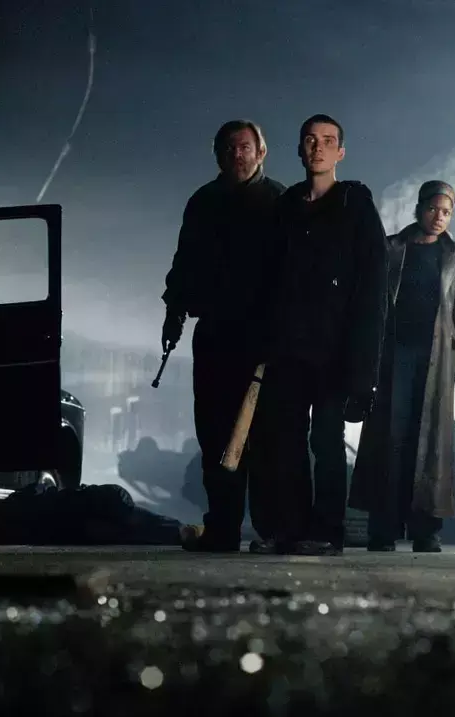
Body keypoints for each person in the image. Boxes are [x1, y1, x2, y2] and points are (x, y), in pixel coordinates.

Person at [253, 114, 389, 556]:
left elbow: (373, 287)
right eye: (310, 140)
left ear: (340, 152)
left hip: (336, 348)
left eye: (328, 141)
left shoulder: (355, 206)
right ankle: (291, 528)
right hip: (289, 346)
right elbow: (269, 279)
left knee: (327, 440)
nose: (318, 148)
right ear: (299, 149)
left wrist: (364, 367)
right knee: (287, 440)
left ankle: (328, 531)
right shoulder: (287, 207)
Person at [160, 119, 285, 553]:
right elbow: (185, 261)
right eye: (230, 148)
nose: (237, 154)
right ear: (217, 155)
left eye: (245, 147)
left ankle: (270, 530)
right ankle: (223, 528)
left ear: (261, 152)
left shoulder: (279, 201)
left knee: (264, 436)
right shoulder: (203, 202)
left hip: (263, 336)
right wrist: (174, 313)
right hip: (215, 331)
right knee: (214, 432)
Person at [348, 180, 455, 553]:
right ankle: (383, 529)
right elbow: (373, 304)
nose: (439, 217)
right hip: (393, 356)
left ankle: (425, 530)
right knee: (390, 438)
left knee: (431, 440)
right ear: (419, 208)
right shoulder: (391, 248)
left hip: (437, 358)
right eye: (433, 209)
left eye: (446, 212)